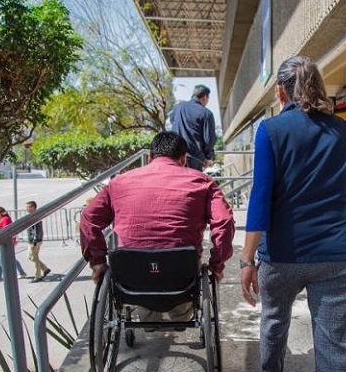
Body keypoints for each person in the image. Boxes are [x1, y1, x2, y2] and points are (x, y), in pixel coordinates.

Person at [239, 55, 346, 372]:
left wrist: (247, 258)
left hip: (283, 254)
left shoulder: (271, 130)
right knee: (334, 354)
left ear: (281, 92)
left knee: (274, 318)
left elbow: (260, 198)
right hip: (339, 255)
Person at [80, 131, 234, 325]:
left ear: (150, 158)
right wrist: (216, 264)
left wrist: (98, 261)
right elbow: (225, 221)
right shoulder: (202, 182)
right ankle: (180, 316)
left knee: (141, 279)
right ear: (184, 158)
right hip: (181, 273)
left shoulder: (118, 182)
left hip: (132, 275)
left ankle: (149, 318)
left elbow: (88, 218)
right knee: (181, 286)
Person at [168, 85, 216, 171]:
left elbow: (172, 121)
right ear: (205, 97)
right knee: (192, 183)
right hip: (194, 159)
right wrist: (208, 157)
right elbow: (209, 140)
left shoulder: (178, 107)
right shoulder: (206, 114)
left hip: (176, 156)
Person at [0, 206, 26, 279]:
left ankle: (21, 272)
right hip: (5, 241)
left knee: (9, 258)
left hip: (6, 241)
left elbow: (5, 230)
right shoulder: (4, 218)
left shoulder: (5, 219)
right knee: (3, 257)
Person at [25, 201, 51, 282]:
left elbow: (37, 230)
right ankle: (45, 269)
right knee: (32, 257)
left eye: (28, 207)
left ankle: (38, 275)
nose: (26, 208)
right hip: (33, 240)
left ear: (33, 207)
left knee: (33, 257)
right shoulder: (31, 216)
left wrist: (34, 241)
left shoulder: (35, 217)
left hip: (34, 241)